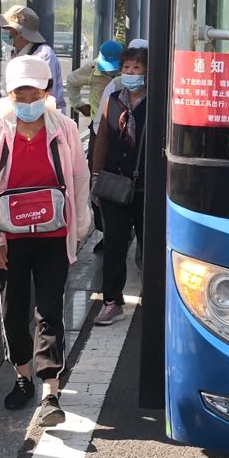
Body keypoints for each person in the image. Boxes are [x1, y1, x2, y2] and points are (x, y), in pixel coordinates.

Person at [0, 54, 92, 427]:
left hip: (54, 236)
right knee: (13, 310)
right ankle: (22, 376)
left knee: (49, 311)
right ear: (9, 93)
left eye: (33, 93)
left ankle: (50, 390)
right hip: (9, 238)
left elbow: (79, 178)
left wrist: (79, 227)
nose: (26, 100)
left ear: (47, 91)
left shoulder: (64, 128)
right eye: (19, 94)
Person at [91, 45, 148, 326]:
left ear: (147, 72)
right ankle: (112, 301)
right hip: (113, 183)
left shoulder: (158, 102)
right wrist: (96, 176)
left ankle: (155, 298)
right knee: (114, 244)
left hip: (146, 187)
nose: (131, 73)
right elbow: (102, 139)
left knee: (150, 245)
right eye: (126, 68)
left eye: (137, 68)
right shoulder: (113, 100)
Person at [1, 4, 66, 110]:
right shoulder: (16, 54)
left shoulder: (44, 56)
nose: (8, 35)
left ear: (20, 33)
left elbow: (48, 98)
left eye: (10, 31)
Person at [65, 39, 123, 126]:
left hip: (122, 122)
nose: (108, 71)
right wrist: (78, 104)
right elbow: (71, 80)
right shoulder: (92, 68)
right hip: (98, 121)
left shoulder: (128, 70)